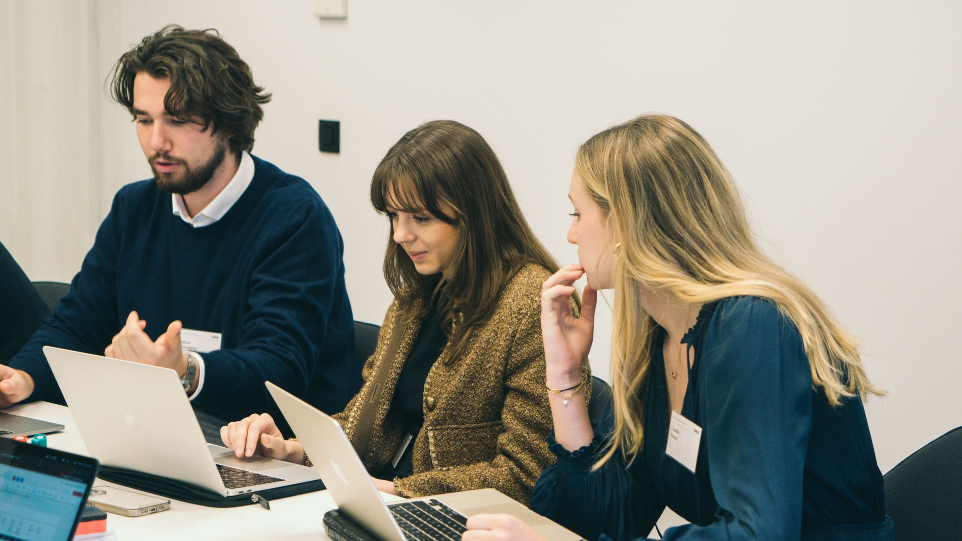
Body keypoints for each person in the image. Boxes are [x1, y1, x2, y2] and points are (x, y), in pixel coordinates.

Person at [465, 114, 893, 540]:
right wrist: (565, 377)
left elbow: (757, 535)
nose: (571, 234)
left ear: (626, 222)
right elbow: (608, 519)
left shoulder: (753, 326)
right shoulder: (659, 334)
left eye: (578, 213)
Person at [0, 25, 360, 439]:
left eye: (177, 120)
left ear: (228, 123)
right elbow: (78, 325)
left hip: (275, 450)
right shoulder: (133, 208)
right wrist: (22, 377)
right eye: (144, 119)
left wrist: (186, 371)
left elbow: (279, 370)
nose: (157, 141)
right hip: (158, 432)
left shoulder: (294, 217)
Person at [221, 120, 587, 503]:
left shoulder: (534, 304)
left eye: (420, 218)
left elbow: (526, 475)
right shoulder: (417, 295)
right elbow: (365, 425)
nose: (400, 235)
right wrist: (291, 450)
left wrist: (395, 491)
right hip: (386, 503)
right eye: (394, 216)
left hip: (457, 518)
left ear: (473, 213)